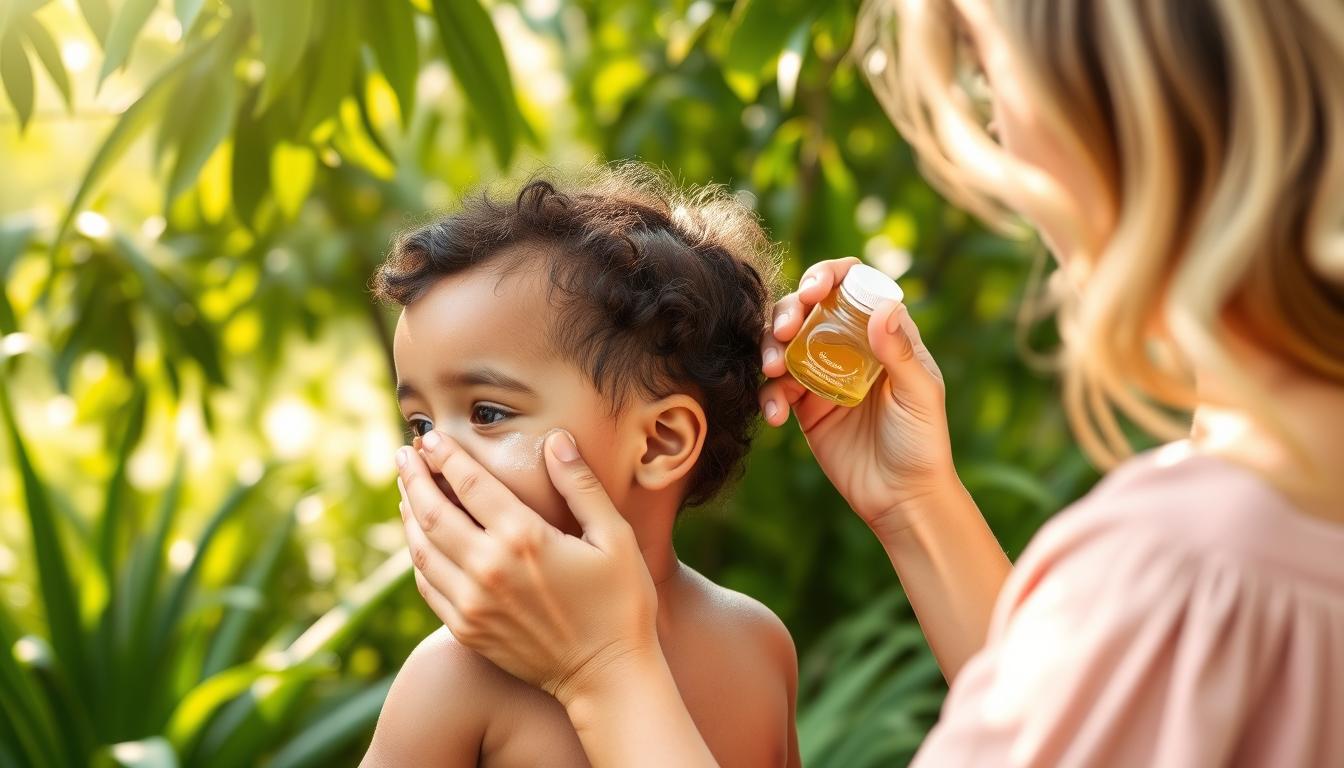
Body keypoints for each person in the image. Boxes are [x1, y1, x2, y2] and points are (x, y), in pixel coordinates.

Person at [397, 0, 1344, 764]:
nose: (997, 134)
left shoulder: (1197, 573)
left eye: (990, 75)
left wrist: (605, 671)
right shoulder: (1260, 547)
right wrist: (914, 504)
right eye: (417, 421)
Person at [361, 166, 801, 767]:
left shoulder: (758, 647)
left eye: (487, 413)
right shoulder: (453, 680)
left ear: (658, 443)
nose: (435, 456)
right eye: (422, 424)